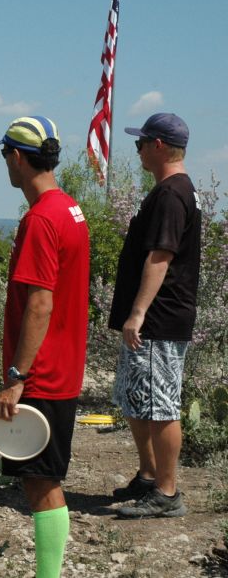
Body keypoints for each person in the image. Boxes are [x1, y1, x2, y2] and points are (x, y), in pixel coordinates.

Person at [0, 116, 90, 578]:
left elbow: (40, 304)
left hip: (41, 375)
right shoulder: (69, 209)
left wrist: (17, 377)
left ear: (17, 157)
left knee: (40, 483)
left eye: (4, 155)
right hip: (62, 366)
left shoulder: (40, 219)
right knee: (41, 479)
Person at [108, 113, 199, 518]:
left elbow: (160, 256)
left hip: (159, 319)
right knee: (135, 398)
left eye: (140, 143)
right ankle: (149, 476)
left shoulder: (171, 194)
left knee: (161, 406)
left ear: (158, 145)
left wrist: (139, 312)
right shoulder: (170, 191)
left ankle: (167, 492)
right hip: (154, 320)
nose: (138, 150)